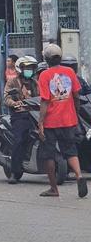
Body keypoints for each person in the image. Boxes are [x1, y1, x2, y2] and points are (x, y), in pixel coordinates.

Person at [37, 43, 88, 199]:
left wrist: (40, 122)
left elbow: (45, 101)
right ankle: (79, 175)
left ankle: (53, 189)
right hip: (68, 120)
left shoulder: (44, 75)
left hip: (51, 122)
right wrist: (75, 112)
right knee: (70, 150)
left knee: (49, 155)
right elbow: (77, 96)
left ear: (46, 59)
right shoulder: (69, 72)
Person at [4, 55, 39, 183]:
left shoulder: (35, 83)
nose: (29, 70)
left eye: (31, 68)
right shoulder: (12, 82)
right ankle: (14, 171)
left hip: (35, 115)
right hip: (19, 115)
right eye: (27, 68)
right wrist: (14, 103)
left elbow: (42, 97)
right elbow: (6, 97)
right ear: (20, 69)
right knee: (19, 141)